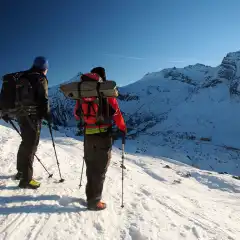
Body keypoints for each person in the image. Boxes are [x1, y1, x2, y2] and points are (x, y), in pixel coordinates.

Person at [74, 67, 127, 210]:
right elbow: (116, 113)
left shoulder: (82, 93)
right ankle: (94, 201)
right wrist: (122, 128)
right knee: (101, 168)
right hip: (103, 136)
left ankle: (90, 196)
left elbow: (77, 115)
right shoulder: (106, 91)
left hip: (88, 135)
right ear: (103, 77)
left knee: (91, 166)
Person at [16, 56, 51, 189]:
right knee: (31, 146)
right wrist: (47, 114)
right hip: (32, 116)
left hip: (20, 114)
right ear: (44, 68)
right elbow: (44, 99)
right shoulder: (40, 78)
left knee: (25, 142)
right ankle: (26, 179)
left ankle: (20, 171)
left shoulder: (23, 76)